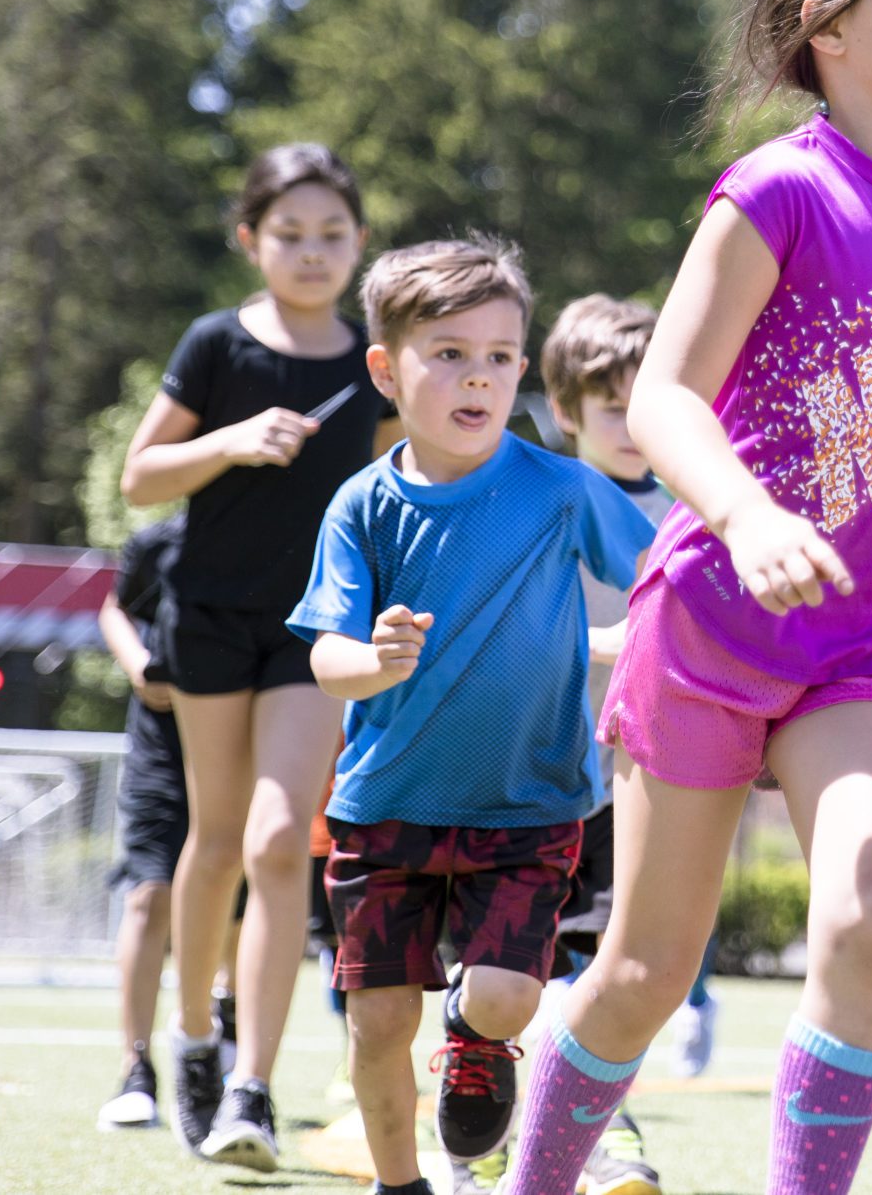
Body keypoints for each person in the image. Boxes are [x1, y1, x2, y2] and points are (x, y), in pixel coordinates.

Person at [500, 0, 872, 1195]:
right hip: (714, 629)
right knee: (641, 974)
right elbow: (665, 397)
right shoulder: (779, 190)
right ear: (826, 27)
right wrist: (746, 512)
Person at [291, 237, 658, 1195]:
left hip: (531, 803)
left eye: (498, 355)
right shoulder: (359, 506)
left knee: (502, 996)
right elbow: (326, 657)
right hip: (384, 805)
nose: (479, 376)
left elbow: (664, 574)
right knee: (377, 1022)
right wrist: (372, 659)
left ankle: (474, 1040)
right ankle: (401, 1183)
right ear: (387, 369)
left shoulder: (564, 488)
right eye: (449, 353)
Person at [120, 142, 394, 1166]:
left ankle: (251, 1087)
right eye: (290, 233)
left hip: (314, 628)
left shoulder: (374, 362)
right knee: (217, 841)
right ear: (250, 239)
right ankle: (192, 1038)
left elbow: (401, 477)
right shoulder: (215, 345)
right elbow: (139, 477)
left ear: (359, 242)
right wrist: (229, 442)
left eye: (332, 233)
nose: (312, 251)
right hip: (207, 619)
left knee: (281, 841)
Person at [539, 293, 677, 1195]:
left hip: (645, 778)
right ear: (566, 410)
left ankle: (603, 1129)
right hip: (542, 775)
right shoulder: (543, 503)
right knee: (531, 965)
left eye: (645, 402)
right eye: (611, 408)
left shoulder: (693, 504)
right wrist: (609, 644)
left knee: (618, 963)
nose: (632, 427)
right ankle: (508, 1126)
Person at [94, 512, 191, 1129]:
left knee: (235, 911)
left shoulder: (293, 534)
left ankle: (222, 1043)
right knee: (149, 896)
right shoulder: (162, 540)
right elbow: (116, 607)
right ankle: (136, 1070)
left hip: (245, 749)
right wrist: (140, 666)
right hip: (162, 750)